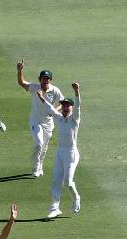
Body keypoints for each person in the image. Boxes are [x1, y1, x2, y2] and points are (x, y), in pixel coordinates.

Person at [36, 82, 82, 218]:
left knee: (68, 182)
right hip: (60, 153)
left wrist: (77, 91)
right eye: (64, 105)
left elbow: (79, 107)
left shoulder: (75, 119)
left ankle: (76, 199)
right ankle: (55, 207)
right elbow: (50, 108)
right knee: (56, 180)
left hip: (71, 153)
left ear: (71, 107)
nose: (65, 107)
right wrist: (42, 98)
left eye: (68, 105)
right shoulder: (59, 118)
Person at [17, 60, 64, 177]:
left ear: (50, 80)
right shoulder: (34, 87)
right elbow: (21, 82)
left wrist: (54, 111)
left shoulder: (55, 90)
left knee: (44, 147)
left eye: (48, 78)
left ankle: (40, 165)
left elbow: (63, 103)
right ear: (40, 79)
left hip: (48, 123)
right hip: (35, 121)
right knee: (39, 143)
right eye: (43, 78)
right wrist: (19, 70)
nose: (46, 80)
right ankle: (35, 167)